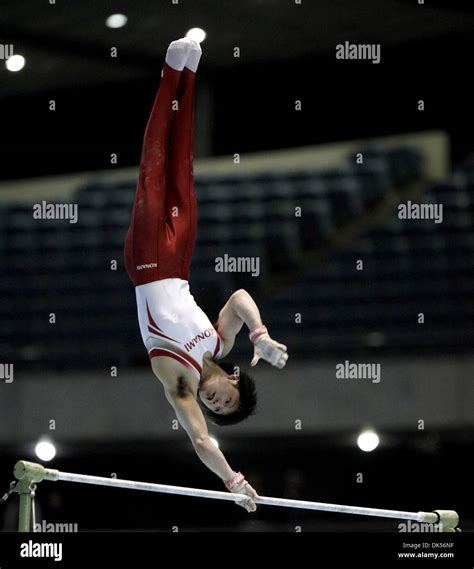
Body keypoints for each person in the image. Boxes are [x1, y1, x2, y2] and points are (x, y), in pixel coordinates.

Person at [124, 38, 288, 512]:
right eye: (224, 400)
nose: (213, 404)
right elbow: (238, 296)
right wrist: (259, 334)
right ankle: (190, 75)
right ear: (233, 377)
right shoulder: (219, 345)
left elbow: (199, 440)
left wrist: (233, 480)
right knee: (182, 166)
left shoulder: (175, 375)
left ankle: (171, 72)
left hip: (148, 261)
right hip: (178, 259)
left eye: (216, 409)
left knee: (154, 164)